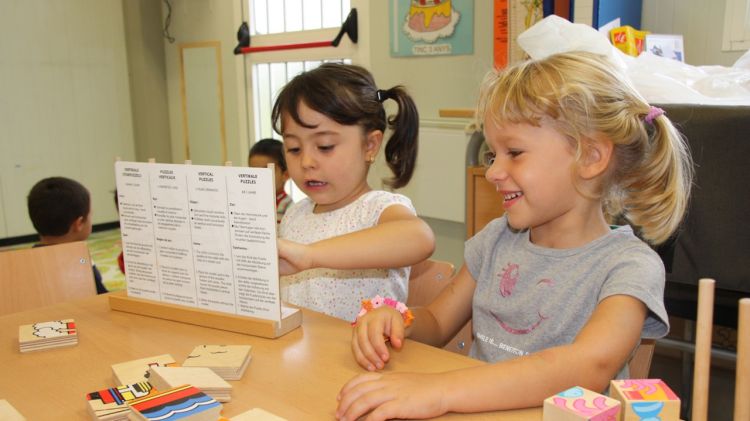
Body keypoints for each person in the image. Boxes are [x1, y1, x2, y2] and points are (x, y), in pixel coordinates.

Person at [337, 51, 693, 420]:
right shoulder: (496, 240)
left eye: (515, 153)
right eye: (493, 154)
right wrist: (398, 320)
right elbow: (439, 322)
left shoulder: (629, 266)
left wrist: (441, 391)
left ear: (591, 157)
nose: (492, 172)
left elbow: (589, 366)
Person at [272, 63, 435, 322]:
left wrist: (311, 256)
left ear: (370, 145)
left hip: (364, 359)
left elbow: (420, 238)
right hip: (302, 356)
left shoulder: (378, 208)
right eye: (294, 148)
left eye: (324, 146)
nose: (306, 162)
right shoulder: (295, 213)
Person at [27, 176, 109, 294]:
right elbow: (102, 298)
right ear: (79, 223)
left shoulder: (26, 262)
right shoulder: (81, 261)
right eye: (91, 215)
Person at [248, 138, 292, 223]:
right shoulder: (249, 204)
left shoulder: (289, 209)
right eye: (254, 172)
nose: (258, 178)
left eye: (266, 172)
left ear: (285, 175)